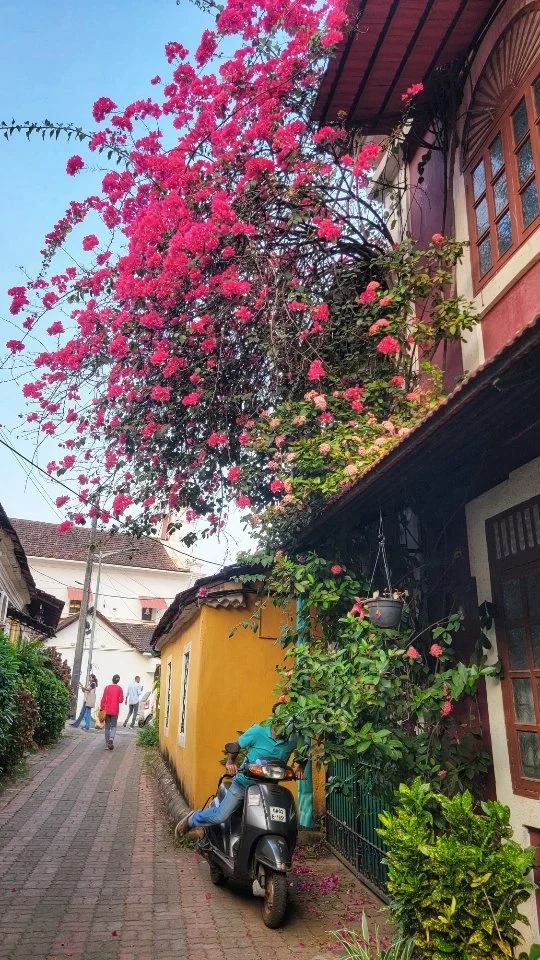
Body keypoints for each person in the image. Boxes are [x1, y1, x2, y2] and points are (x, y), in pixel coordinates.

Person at [175, 705, 304, 836]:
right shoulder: (258, 731)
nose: (285, 725)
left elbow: (304, 752)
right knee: (220, 816)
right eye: (282, 720)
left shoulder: (292, 740)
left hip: (270, 788)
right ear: (275, 719)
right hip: (244, 784)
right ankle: (193, 819)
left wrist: (300, 767)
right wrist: (230, 763)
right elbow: (237, 745)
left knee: (279, 821)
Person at [100, 674, 124, 750]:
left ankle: (107, 744)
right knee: (113, 726)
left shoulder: (107, 688)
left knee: (107, 727)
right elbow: (121, 700)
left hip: (107, 709)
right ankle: (111, 739)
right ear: (118, 681)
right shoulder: (120, 688)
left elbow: (103, 699)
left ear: (112, 679)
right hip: (115, 710)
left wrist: (102, 708)